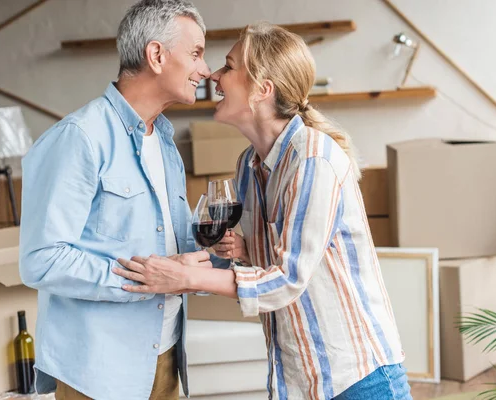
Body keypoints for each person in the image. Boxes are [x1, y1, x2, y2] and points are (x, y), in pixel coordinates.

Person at [115, 22, 412, 400]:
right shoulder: (249, 165)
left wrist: (187, 280)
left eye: (229, 66)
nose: (213, 75)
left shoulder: (311, 160)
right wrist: (238, 251)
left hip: (356, 379)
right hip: (298, 378)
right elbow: (269, 260)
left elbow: (286, 280)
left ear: (262, 89)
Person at [18, 1, 222, 399]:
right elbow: (41, 260)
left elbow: (169, 252)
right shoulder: (80, 137)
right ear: (157, 55)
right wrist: (146, 281)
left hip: (165, 358)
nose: (206, 70)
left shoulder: (164, 142)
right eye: (196, 53)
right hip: (99, 371)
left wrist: (211, 258)